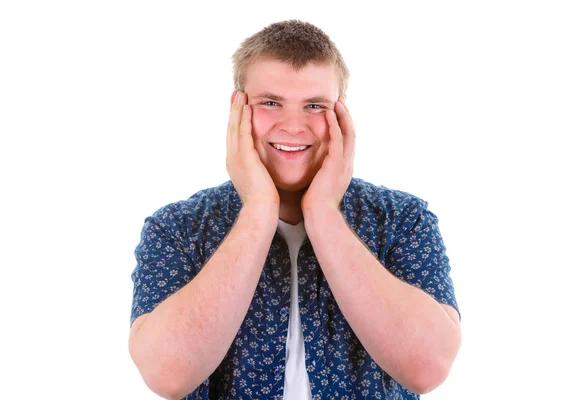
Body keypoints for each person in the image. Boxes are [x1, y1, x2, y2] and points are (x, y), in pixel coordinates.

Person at [128, 19, 461, 400]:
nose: (293, 125)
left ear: (340, 114)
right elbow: (167, 374)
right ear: (238, 110)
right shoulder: (177, 228)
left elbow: (428, 367)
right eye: (270, 103)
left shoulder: (403, 220)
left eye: (314, 106)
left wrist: (322, 212)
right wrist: (258, 209)